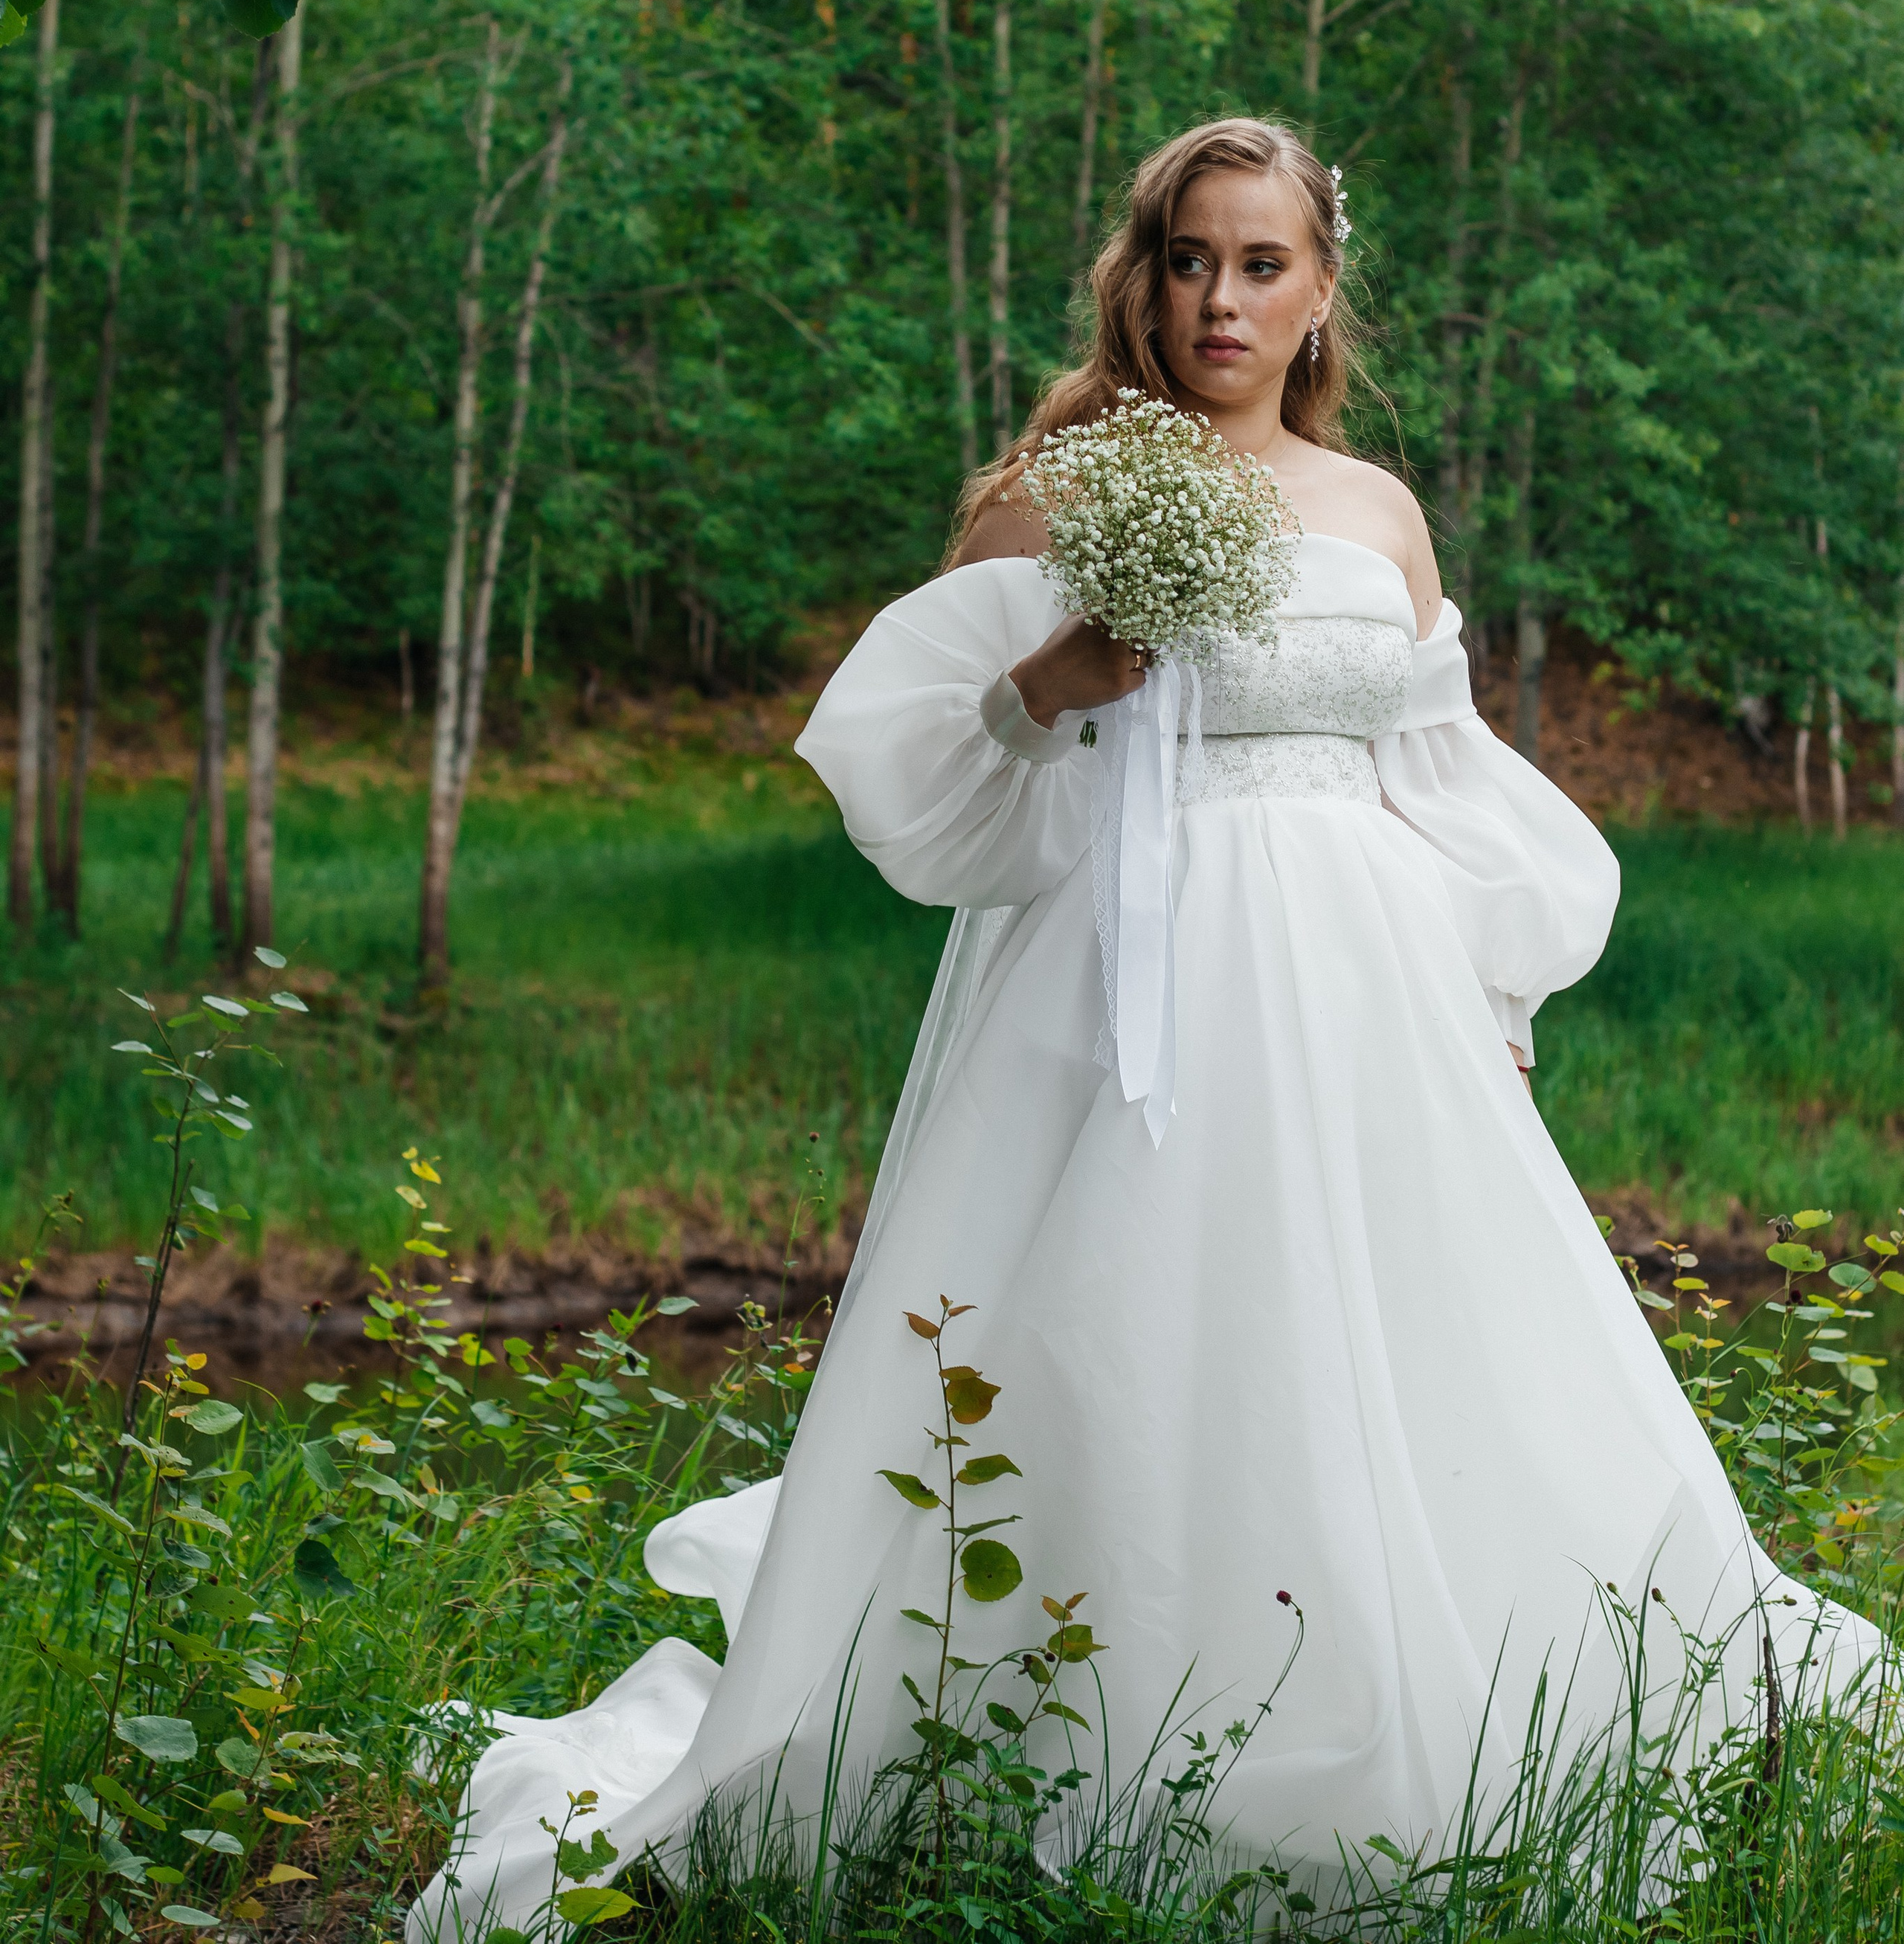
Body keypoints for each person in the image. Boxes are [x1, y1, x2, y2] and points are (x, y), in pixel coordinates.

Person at [412, 117, 1881, 1939]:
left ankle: (1436, 1718)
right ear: (1143, 272)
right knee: (1129, 1333)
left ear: (1319, 290)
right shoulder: (1069, 481)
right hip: (1135, 984)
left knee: (1411, 1346)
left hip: (1370, 1002)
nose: (1219, 299)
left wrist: (1487, 985)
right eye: (1189, 259)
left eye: (1259, 264)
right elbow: (934, 784)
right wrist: (1055, 677)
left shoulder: (1378, 515)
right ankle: (1066, 1736)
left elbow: (1433, 767)